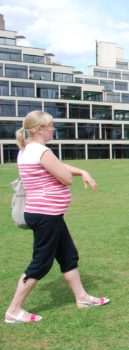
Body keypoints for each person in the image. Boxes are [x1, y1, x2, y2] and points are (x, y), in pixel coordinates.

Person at [5, 111, 110, 324]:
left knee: (68, 255)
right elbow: (65, 177)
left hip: (47, 214)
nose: (54, 129)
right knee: (41, 263)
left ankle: (82, 298)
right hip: (46, 216)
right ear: (39, 129)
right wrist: (76, 174)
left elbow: (58, 167)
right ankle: (14, 310)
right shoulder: (41, 151)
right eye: (51, 126)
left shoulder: (27, 149)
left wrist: (82, 170)